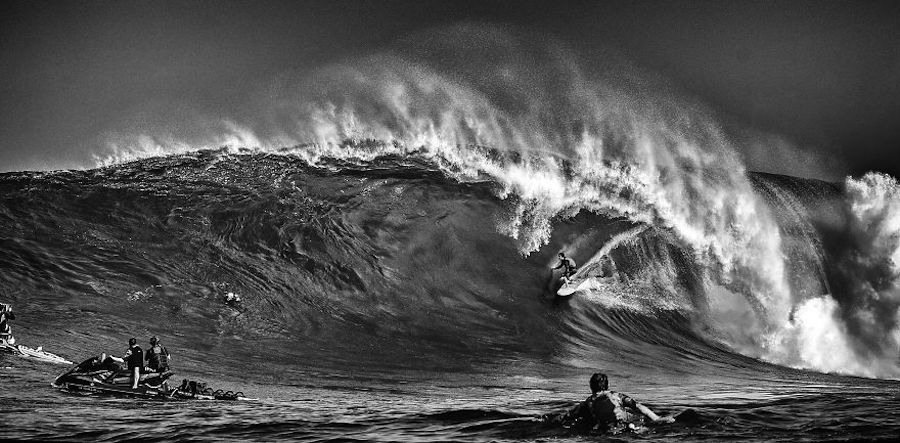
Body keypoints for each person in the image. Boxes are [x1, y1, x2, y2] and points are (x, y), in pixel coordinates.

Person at [562, 372, 673, 434]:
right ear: (607, 385)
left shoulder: (587, 402)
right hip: (623, 423)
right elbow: (638, 406)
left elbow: (570, 415)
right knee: (637, 426)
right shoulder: (616, 396)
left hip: (605, 430)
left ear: (591, 386)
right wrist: (656, 418)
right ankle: (634, 428)